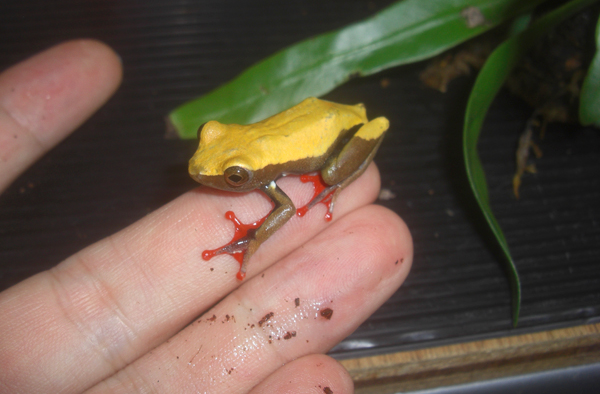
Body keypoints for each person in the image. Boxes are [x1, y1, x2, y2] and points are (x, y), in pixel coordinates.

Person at [0, 40, 412, 394]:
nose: (201, 168)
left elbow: (287, 207)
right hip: (314, 119)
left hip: (344, 130)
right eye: (208, 134)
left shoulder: (270, 175)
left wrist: (254, 237)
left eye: (234, 176)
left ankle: (338, 181)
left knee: (330, 173)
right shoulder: (243, 156)